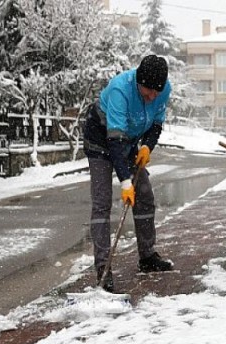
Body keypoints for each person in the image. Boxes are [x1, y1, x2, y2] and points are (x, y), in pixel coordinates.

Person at [84, 55, 174, 293]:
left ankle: (147, 257)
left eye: (157, 91)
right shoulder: (120, 90)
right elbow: (114, 142)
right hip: (101, 141)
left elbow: (156, 124)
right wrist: (125, 181)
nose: (152, 96)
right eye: (148, 90)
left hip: (130, 142)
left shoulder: (162, 90)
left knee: (144, 196)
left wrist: (147, 147)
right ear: (138, 82)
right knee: (102, 204)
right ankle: (103, 270)